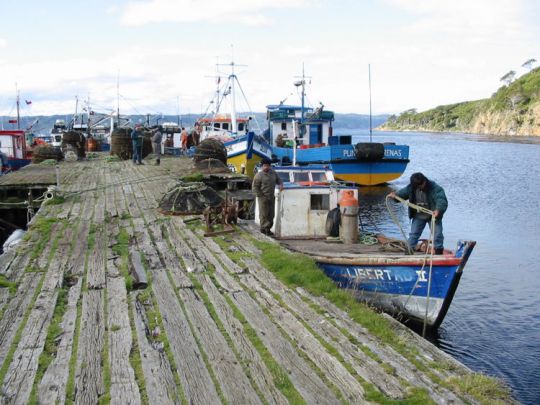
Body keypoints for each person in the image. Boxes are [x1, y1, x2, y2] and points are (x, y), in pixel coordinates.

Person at [388, 172, 448, 254]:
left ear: (424, 181)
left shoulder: (435, 188)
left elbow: (441, 200)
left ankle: (438, 252)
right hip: (418, 215)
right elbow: (402, 194)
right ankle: (408, 253)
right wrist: (395, 196)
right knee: (413, 234)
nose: (421, 187)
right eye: (418, 186)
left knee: (437, 235)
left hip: (433, 215)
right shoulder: (411, 188)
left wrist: (438, 210)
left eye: (422, 184)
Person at [252, 158, 284, 235]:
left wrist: (280, 184)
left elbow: (278, 180)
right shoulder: (258, 175)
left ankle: (268, 228)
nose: (266, 167)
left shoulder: (273, 173)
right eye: (265, 166)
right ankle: (264, 229)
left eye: (268, 166)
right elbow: (254, 187)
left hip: (271, 196)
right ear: (262, 166)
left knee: (271, 214)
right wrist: (260, 196)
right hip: (262, 197)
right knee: (263, 214)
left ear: (270, 166)